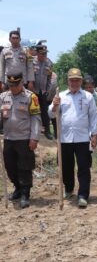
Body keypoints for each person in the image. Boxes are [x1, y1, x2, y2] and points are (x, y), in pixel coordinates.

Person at [48, 68, 97, 208]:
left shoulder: (88, 96)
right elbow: (51, 114)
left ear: (81, 81)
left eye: (77, 80)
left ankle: (83, 195)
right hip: (64, 139)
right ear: (68, 81)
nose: (75, 83)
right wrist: (54, 106)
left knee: (83, 167)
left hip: (83, 138)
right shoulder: (61, 96)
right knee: (65, 167)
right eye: (72, 80)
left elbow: (94, 116)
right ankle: (69, 189)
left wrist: (94, 134)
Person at [0, 72, 41, 208]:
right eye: (10, 85)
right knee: (10, 166)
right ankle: (17, 188)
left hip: (24, 139)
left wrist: (34, 138)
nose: (13, 87)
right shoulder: (3, 97)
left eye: (16, 85)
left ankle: (25, 193)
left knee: (25, 167)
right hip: (8, 138)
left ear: (21, 82)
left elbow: (36, 119)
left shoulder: (31, 97)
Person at [33, 45, 53, 140]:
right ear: (37, 53)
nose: (44, 55)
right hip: (33, 90)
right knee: (32, 111)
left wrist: (47, 90)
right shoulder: (31, 62)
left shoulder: (49, 63)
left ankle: (47, 131)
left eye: (45, 53)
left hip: (43, 91)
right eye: (42, 53)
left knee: (44, 111)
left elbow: (49, 78)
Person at [82, 75, 97, 156]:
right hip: (87, 120)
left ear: (93, 86)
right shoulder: (82, 96)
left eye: (90, 87)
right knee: (89, 136)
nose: (88, 89)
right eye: (86, 87)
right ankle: (92, 153)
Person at [46, 71, 58, 138]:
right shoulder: (43, 75)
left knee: (55, 118)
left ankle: (56, 134)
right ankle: (47, 132)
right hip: (45, 99)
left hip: (53, 99)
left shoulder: (54, 75)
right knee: (46, 117)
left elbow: (54, 86)